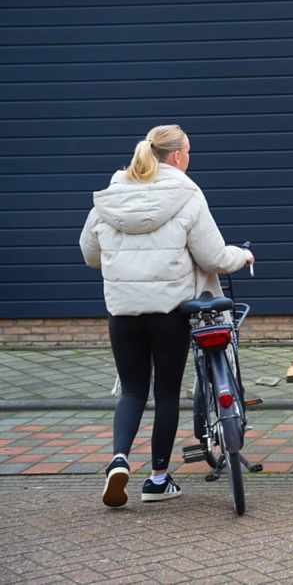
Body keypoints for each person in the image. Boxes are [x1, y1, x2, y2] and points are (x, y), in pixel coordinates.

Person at [80, 125, 253, 507]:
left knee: (132, 390)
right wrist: (242, 256)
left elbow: (90, 256)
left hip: (123, 312)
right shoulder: (186, 194)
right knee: (166, 394)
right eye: (188, 152)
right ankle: (158, 479)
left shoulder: (110, 196)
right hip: (169, 312)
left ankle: (119, 460)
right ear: (176, 156)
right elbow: (213, 257)